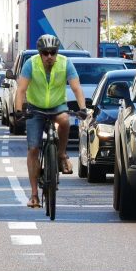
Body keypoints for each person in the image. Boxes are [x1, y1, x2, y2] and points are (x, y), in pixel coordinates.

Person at [14, 34, 87, 208]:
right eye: (45, 53)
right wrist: (18, 110)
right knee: (33, 149)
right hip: (35, 108)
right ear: (40, 53)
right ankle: (34, 195)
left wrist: (82, 108)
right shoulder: (31, 63)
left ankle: (61, 154)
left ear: (56, 52)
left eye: (52, 52)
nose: (49, 57)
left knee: (64, 120)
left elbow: (76, 88)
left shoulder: (65, 63)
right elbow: (21, 89)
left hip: (57, 106)